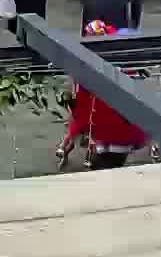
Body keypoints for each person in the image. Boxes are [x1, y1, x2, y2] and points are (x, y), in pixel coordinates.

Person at [57, 20, 150, 170]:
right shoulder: (127, 66)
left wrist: (73, 133)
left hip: (107, 135)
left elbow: (82, 109)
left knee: (103, 172)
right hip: (127, 134)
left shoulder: (85, 74)